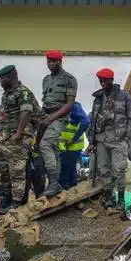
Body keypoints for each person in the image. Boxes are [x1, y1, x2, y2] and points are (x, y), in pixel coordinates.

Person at [0, 65, 41, 214]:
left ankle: (16, 204)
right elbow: (3, 115)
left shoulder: (23, 92)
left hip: (20, 135)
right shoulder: (7, 94)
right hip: (5, 135)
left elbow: (26, 113)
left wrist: (19, 134)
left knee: (16, 172)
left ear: (12, 76)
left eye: (2, 78)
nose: (0, 81)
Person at [88, 68, 131, 211]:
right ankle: (109, 198)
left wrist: (127, 138)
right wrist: (92, 140)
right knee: (103, 170)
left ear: (112, 80)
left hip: (118, 138)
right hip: (101, 138)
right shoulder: (98, 98)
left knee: (119, 170)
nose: (103, 83)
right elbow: (93, 120)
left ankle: (120, 199)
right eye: (101, 81)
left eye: (106, 80)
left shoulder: (125, 97)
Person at [39, 50, 78, 197]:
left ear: (60, 62)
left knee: (46, 144)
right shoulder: (46, 80)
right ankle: (57, 184)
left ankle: (54, 182)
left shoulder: (69, 79)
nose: (51, 64)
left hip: (60, 117)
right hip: (46, 116)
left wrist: (51, 117)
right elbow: (46, 102)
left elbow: (69, 105)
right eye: (49, 61)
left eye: (54, 61)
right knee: (53, 149)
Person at [58, 101, 89, 190]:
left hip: (70, 146)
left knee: (64, 172)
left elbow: (86, 121)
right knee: (71, 169)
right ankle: (72, 191)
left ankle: (65, 192)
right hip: (71, 146)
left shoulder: (73, 107)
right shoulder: (71, 106)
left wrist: (73, 140)